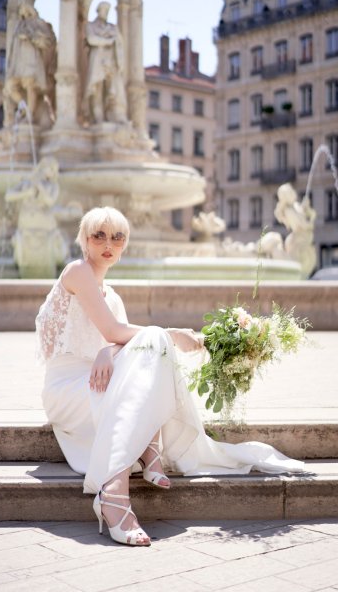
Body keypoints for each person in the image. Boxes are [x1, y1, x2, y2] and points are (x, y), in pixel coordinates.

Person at [36, 206, 305, 547]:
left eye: (117, 237)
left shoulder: (113, 297)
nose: (109, 244)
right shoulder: (77, 272)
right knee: (157, 339)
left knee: (154, 346)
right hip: (67, 389)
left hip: (96, 383)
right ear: (84, 241)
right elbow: (114, 331)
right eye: (99, 235)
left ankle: (139, 459)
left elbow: (124, 347)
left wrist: (110, 349)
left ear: (125, 245)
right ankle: (122, 483)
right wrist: (168, 334)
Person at [84, 2, 127, 124]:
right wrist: (108, 41)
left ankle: (111, 116)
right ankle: (98, 117)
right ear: (98, 10)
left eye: (108, 10)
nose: (106, 13)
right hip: (97, 61)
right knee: (96, 89)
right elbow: (91, 39)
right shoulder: (90, 26)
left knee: (111, 91)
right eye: (104, 10)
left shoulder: (112, 28)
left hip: (110, 62)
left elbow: (119, 42)